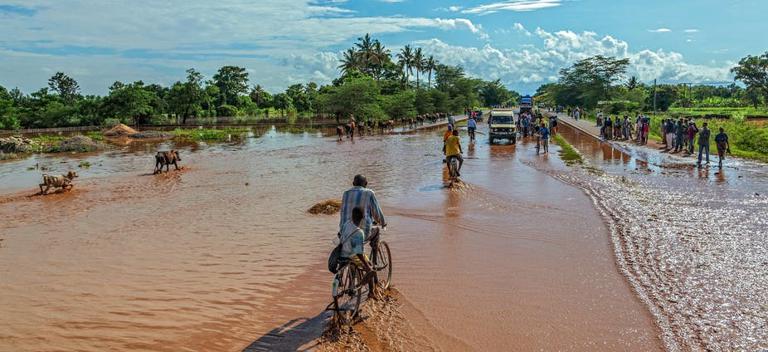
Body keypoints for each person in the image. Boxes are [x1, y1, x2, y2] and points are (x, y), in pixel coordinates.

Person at [339, 207, 375, 298]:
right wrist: (366, 265)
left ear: (352, 215)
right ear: (362, 218)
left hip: (342, 253)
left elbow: (340, 235)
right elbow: (359, 253)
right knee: (370, 266)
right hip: (351, 255)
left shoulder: (347, 223)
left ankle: (351, 285)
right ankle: (371, 293)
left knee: (354, 258)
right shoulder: (359, 232)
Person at [340, 175, 386, 239]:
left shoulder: (346, 193)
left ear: (353, 184)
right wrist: (383, 223)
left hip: (344, 232)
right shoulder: (369, 193)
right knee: (376, 230)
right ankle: (374, 248)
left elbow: (342, 212)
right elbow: (376, 213)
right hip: (362, 232)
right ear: (366, 184)